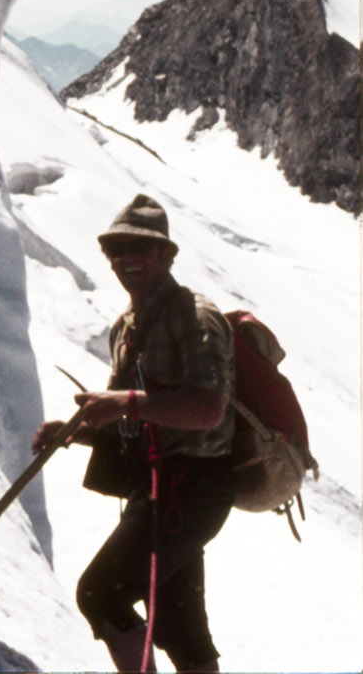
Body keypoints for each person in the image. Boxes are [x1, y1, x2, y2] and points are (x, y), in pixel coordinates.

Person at [31, 195, 235, 674]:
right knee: (179, 628)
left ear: (166, 255)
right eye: (115, 249)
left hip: (196, 487)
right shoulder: (126, 327)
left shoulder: (195, 316)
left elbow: (209, 409)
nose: (125, 259)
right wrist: (76, 431)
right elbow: (129, 421)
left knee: (101, 593)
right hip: (161, 486)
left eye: (138, 247)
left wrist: (121, 403)